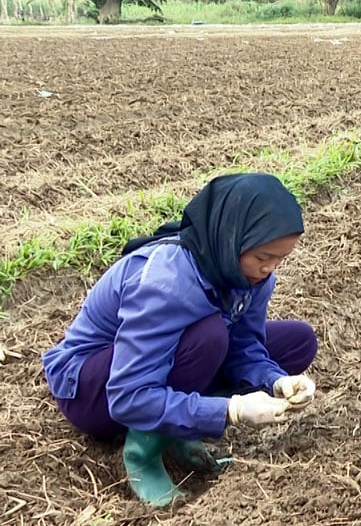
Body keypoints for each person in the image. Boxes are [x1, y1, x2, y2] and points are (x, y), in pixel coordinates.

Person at [42, 173, 319, 508]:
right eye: (263, 257)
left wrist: (275, 380)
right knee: (210, 336)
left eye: (280, 259)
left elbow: (245, 347)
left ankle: (181, 426)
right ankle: (144, 453)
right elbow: (127, 396)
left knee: (297, 341)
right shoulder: (166, 283)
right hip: (93, 391)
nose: (270, 269)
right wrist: (231, 409)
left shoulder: (249, 275)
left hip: (159, 360)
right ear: (231, 236)